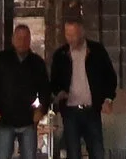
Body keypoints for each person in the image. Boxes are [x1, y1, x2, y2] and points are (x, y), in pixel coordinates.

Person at [48, 19, 117, 159]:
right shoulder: (61, 55)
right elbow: (54, 81)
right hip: (70, 111)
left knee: (97, 151)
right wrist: (59, 92)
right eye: (67, 34)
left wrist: (108, 99)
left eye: (73, 35)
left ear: (82, 33)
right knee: (73, 153)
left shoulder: (97, 51)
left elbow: (110, 77)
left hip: (92, 109)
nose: (70, 39)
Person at [0, 23, 52, 159]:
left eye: (25, 38)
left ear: (30, 40)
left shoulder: (37, 63)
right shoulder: (1, 59)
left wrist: (41, 109)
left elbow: (45, 89)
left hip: (28, 119)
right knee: (2, 156)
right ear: (13, 39)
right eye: (19, 38)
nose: (22, 41)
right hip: (4, 119)